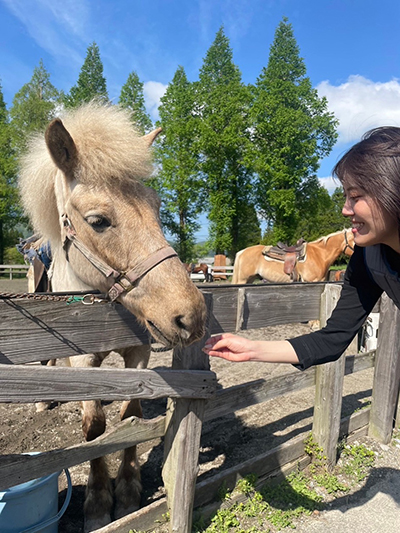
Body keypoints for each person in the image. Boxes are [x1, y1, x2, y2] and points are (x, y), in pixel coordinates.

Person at [203, 127, 400, 370]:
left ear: (393, 192)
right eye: (345, 197)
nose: (345, 210)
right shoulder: (369, 258)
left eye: (355, 197)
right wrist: (251, 348)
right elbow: (332, 340)